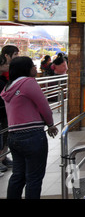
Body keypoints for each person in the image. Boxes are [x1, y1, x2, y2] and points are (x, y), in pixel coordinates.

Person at [0, 56, 58, 199]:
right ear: (25, 68)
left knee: (18, 175)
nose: (35, 68)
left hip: (14, 136)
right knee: (34, 178)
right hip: (32, 136)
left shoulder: (8, 86)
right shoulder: (28, 83)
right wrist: (50, 125)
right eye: (32, 65)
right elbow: (44, 106)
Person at [0, 55, 9, 174]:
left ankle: (3, 159)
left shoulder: (3, 79)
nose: (8, 66)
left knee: (4, 136)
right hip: (2, 111)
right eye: (5, 64)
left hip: (4, 112)